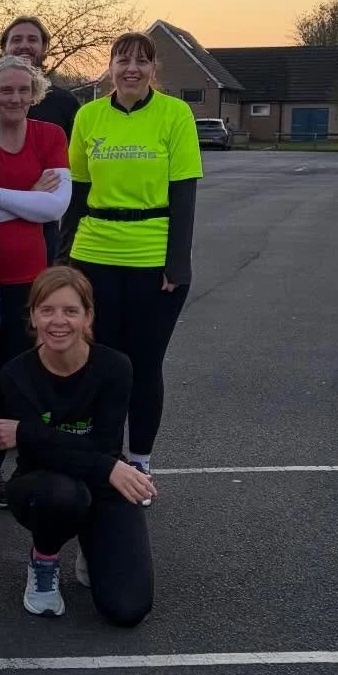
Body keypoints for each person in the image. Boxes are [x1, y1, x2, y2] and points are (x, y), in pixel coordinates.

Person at [64, 31, 201, 474]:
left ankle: (139, 458)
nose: (131, 69)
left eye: (141, 61)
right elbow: (79, 192)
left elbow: (184, 194)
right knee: (98, 360)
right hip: (95, 251)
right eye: (123, 60)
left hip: (151, 257)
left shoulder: (175, 114)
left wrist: (177, 261)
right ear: (110, 66)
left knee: (143, 364)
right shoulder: (88, 116)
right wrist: (63, 257)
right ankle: (103, 455)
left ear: (153, 69)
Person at [0, 265, 155, 624]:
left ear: (88, 316)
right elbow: (38, 456)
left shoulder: (115, 367)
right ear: (32, 316)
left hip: (104, 478)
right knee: (62, 496)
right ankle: (44, 558)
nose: (57, 321)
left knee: (127, 609)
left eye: (70, 310)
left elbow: (102, 444)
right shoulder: (15, 374)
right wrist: (106, 464)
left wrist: (27, 431)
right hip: (42, 482)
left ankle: (92, 543)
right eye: (46, 310)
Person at [0, 53, 72, 510]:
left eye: (22, 90)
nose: (14, 97)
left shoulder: (50, 135)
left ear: (35, 95)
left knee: (11, 379)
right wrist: (27, 198)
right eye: (4, 89)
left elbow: (55, 208)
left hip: (29, 281)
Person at [0, 15, 80, 263]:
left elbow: (67, 184)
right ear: (4, 48)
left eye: (32, 39)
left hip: (46, 235)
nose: (25, 45)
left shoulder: (64, 104)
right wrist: (31, 194)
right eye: (17, 39)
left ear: (45, 48)